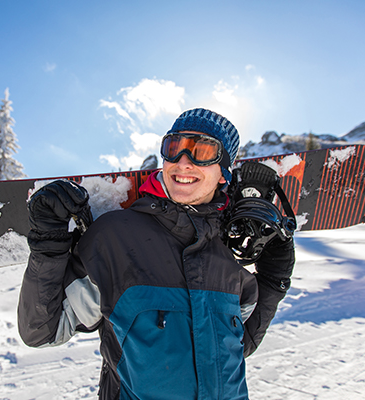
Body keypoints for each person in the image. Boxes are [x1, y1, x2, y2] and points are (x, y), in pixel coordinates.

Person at [18, 108, 295, 399]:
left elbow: (235, 350)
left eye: (202, 150)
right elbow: (42, 331)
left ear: (223, 173)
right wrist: (48, 246)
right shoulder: (115, 238)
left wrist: (274, 279)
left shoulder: (225, 254)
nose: (183, 162)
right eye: (174, 148)